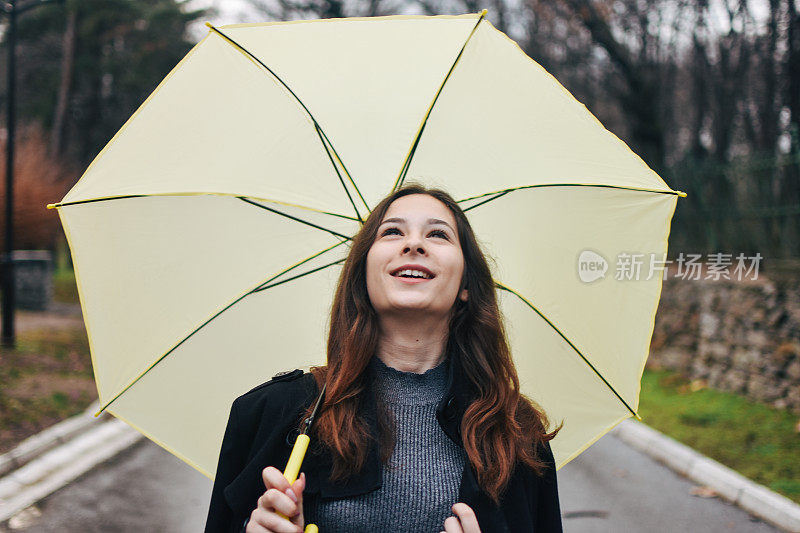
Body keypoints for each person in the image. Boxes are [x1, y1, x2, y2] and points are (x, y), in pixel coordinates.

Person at [204, 184, 562, 533]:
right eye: (392, 232)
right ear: (363, 275)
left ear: (466, 285)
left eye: (438, 235)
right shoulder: (274, 413)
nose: (414, 243)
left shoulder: (517, 434)